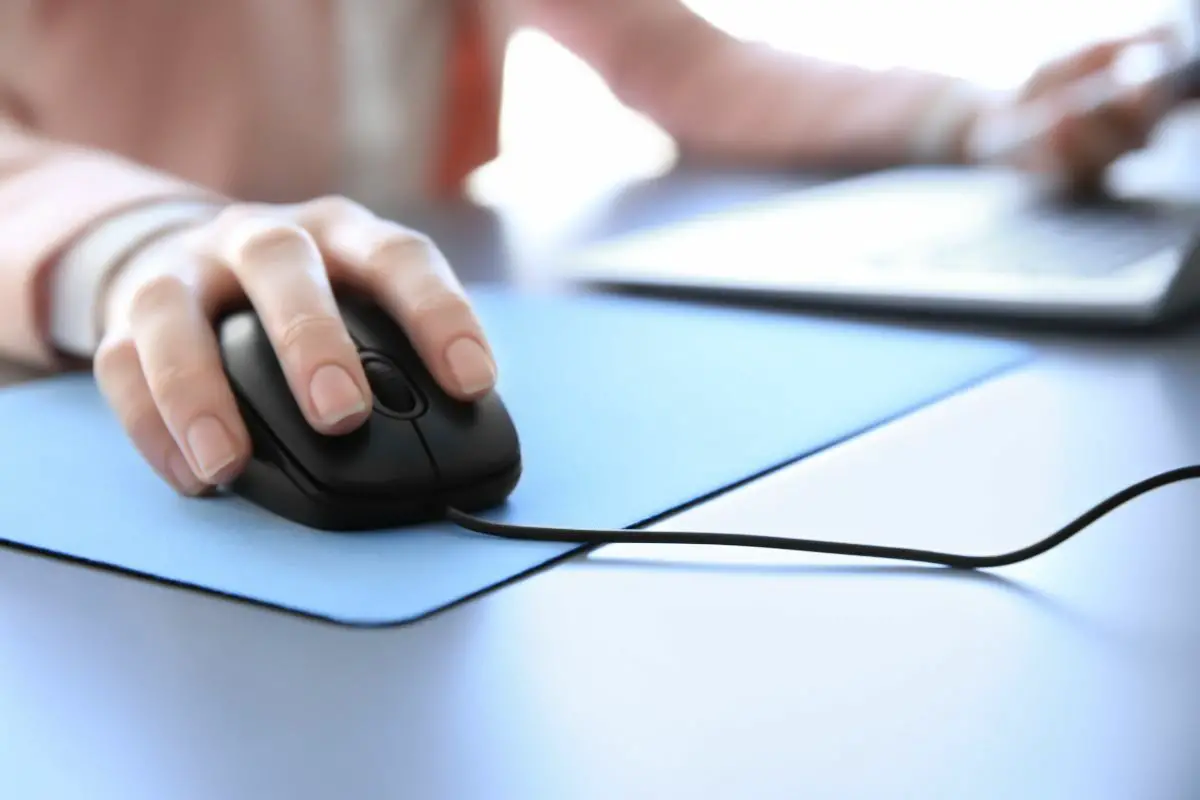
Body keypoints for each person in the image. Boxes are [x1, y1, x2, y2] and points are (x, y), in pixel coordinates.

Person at [0, 0, 1181, 496]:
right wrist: (138, 245)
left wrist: (980, 118)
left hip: (408, 326)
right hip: (90, 384)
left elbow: (688, 66)